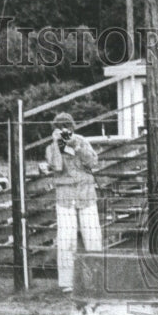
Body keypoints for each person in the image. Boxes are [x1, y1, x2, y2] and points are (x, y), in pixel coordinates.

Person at [45, 112, 102, 292]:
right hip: (65, 195)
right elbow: (57, 166)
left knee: (93, 237)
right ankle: (67, 283)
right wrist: (58, 144)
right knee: (66, 239)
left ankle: (97, 280)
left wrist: (75, 145)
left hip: (85, 193)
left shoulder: (82, 140)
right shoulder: (52, 146)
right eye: (60, 127)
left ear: (72, 127)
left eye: (67, 127)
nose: (64, 131)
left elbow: (93, 162)